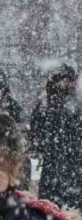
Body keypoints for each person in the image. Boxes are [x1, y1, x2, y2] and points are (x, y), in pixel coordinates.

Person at [30, 63, 82, 210]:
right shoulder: (75, 106)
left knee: (52, 213)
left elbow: (35, 139)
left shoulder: (44, 106)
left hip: (56, 172)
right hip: (69, 172)